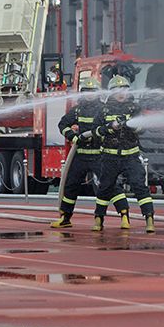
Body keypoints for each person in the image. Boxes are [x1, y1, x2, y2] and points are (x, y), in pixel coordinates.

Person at [93, 75, 156, 233]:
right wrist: (110, 127)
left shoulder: (134, 108)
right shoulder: (103, 110)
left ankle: (149, 218)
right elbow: (95, 131)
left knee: (139, 186)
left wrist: (132, 126)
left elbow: (143, 128)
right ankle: (99, 218)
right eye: (117, 90)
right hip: (110, 156)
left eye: (124, 89)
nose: (121, 93)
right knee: (105, 187)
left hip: (131, 156)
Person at [51, 77, 106, 228]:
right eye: (86, 92)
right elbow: (63, 124)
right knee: (71, 185)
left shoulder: (104, 109)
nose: (89, 95)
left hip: (98, 155)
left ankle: (121, 215)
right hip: (80, 155)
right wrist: (73, 137)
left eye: (92, 92)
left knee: (109, 185)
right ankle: (65, 217)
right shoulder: (77, 110)